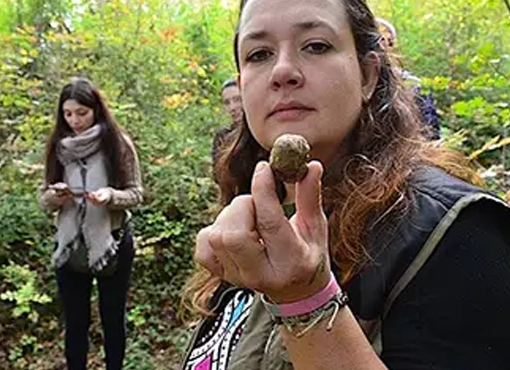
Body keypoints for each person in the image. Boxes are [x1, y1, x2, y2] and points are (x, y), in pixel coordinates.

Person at [182, 0, 510, 369]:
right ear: (243, 86)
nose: (283, 70)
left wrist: (304, 301)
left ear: (368, 74)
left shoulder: (455, 232)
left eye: (316, 45)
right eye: (259, 54)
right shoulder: (245, 219)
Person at [40, 77, 143, 370]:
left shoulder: (117, 144)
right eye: (68, 113)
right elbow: (43, 198)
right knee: (75, 323)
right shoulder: (58, 147)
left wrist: (110, 196)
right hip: (69, 245)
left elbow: (136, 193)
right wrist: (55, 197)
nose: (75, 121)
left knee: (113, 319)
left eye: (82, 113)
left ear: (96, 109)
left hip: (112, 241)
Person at [376, 17, 441, 140]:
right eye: (377, 41)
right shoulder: (357, 83)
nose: (381, 47)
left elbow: (430, 129)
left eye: (386, 41)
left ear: (392, 46)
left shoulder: (412, 83)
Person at [212, 78, 244, 183]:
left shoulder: (260, 130)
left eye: (237, 99)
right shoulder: (222, 136)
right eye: (227, 102)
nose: (232, 107)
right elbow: (217, 175)